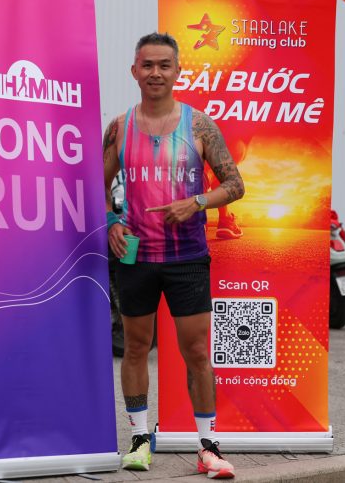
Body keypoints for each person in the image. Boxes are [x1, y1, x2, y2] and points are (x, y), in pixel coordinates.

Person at [103, 32, 245, 478]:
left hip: (187, 258)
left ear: (178, 71)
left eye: (164, 65)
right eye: (147, 65)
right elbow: (95, 184)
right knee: (135, 348)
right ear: (134, 71)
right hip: (137, 257)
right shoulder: (119, 127)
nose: (155, 73)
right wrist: (112, 222)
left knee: (197, 352)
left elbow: (235, 185)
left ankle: (209, 448)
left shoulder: (200, 126)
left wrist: (197, 203)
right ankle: (140, 441)